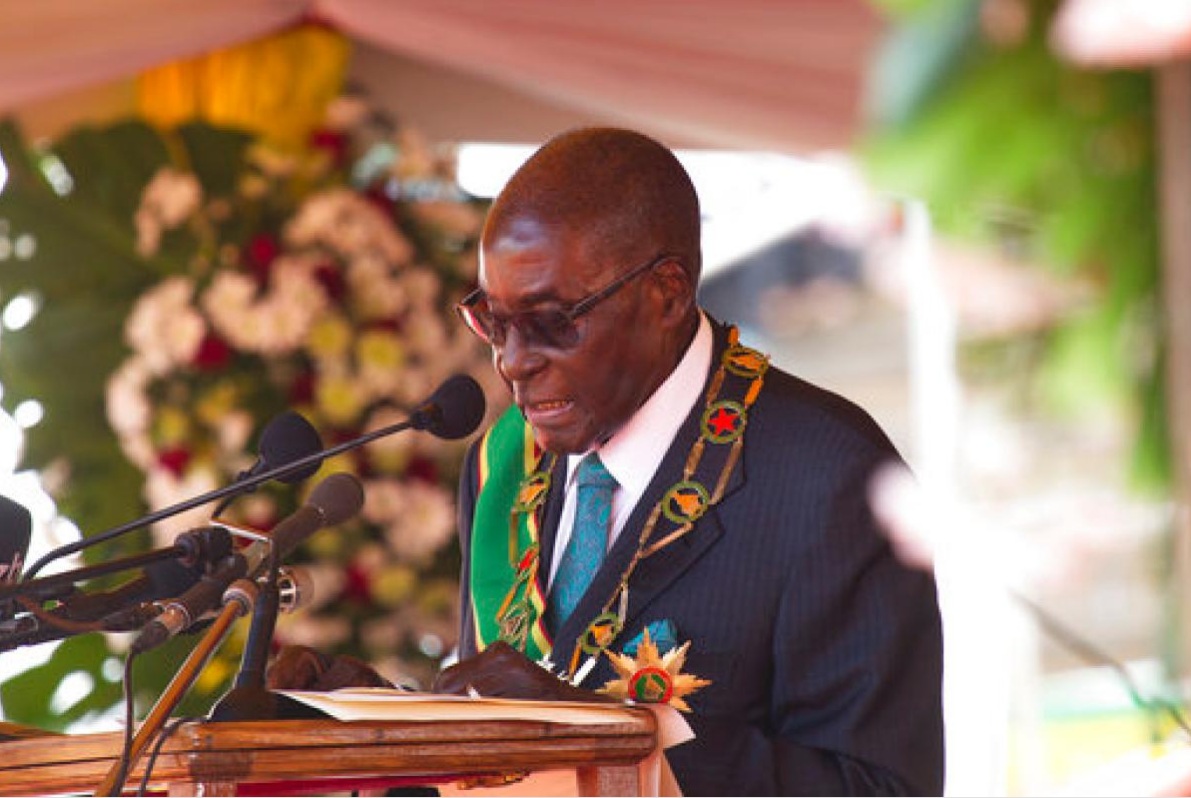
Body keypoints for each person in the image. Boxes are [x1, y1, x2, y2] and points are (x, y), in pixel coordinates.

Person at [271, 127, 945, 796]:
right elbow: (509, 758)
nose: (512, 362)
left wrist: (610, 734)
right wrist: (379, 724)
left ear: (666, 293)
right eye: (494, 322)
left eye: (551, 321)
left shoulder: (825, 474)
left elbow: (883, 788)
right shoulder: (501, 461)